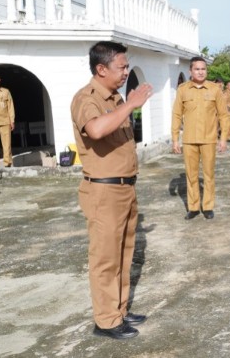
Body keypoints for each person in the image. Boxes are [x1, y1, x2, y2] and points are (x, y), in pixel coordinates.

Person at [70, 41, 151, 339]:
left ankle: (119, 310)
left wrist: (125, 102)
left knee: (124, 254)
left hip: (124, 188)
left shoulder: (116, 98)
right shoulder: (86, 98)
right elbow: (96, 130)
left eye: (127, 66)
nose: (126, 72)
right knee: (105, 259)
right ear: (101, 69)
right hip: (103, 192)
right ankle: (106, 321)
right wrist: (131, 104)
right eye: (122, 67)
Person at [172, 57, 230, 220]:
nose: (200, 72)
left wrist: (223, 138)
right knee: (191, 175)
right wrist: (175, 138)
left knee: (209, 174)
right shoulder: (183, 89)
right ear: (190, 71)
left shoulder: (214, 89)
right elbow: (177, 114)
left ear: (206, 70)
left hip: (209, 139)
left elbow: (224, 116)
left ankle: (208, 206)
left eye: (203, 69)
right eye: (197, 69)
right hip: (189, 139)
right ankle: (193, 207)